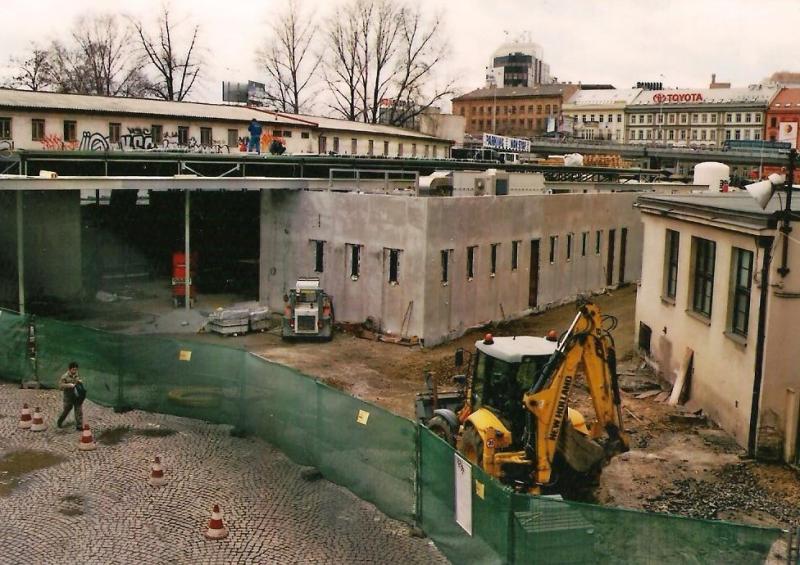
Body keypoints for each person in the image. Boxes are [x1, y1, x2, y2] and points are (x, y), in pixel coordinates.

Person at [57, 361, 85, 431]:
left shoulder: (77, 374)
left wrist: (80, 381)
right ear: (69, 369)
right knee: (66, 410)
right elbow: (60, 386)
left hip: (76, 396)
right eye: (73, 369)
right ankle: (60, 421)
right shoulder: (65, 376)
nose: (75, 371)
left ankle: (79, 425)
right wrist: (68, 385)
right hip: (68, 397)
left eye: (76, 369)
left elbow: (78, 381)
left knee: (79, 410)